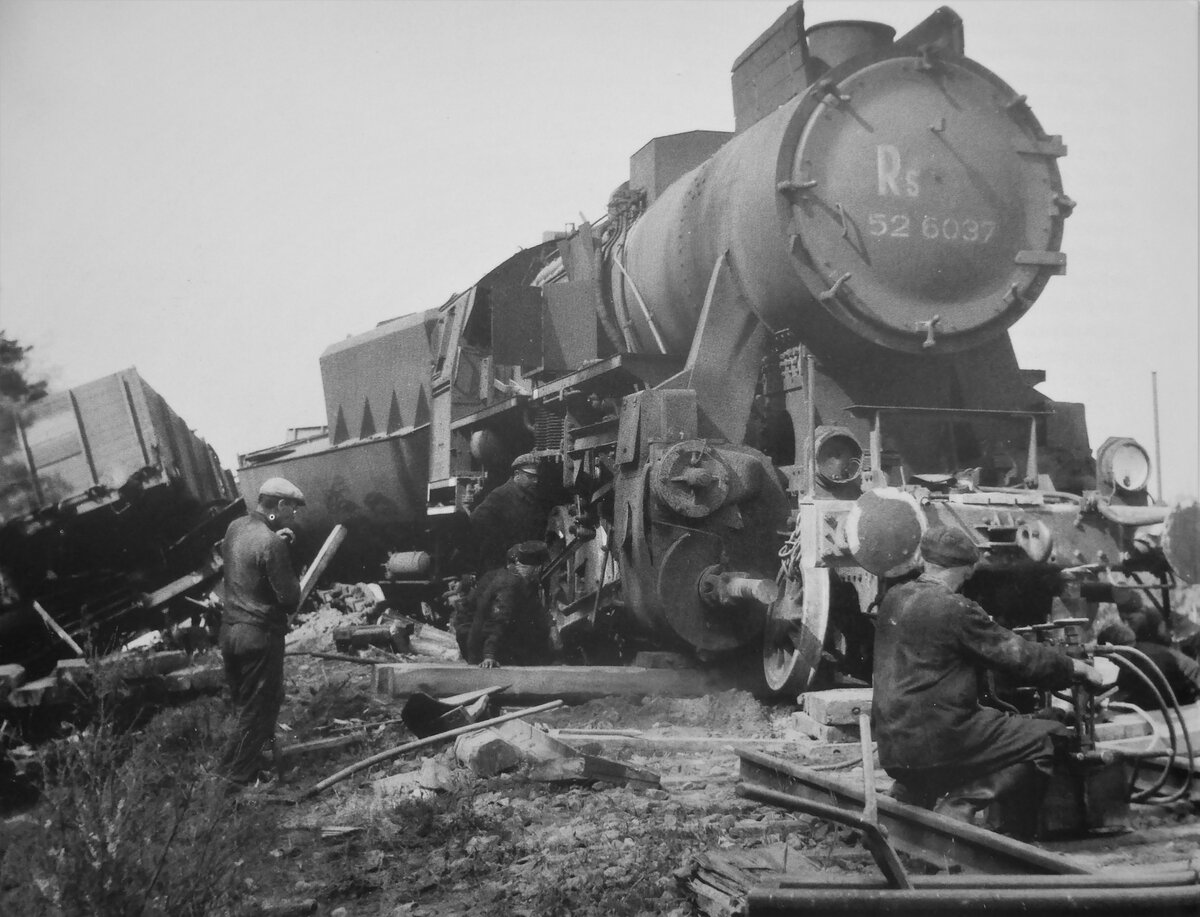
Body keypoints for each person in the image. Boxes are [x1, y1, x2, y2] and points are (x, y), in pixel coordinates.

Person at [872, 525, 1103, 834]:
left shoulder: (894, 599)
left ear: (926, 561)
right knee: (1048, 736)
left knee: (996, 722)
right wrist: (1075, 668)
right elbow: (1019, 657)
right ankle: (963, 806)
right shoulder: (957, 610)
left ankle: (909, 794)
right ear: (967, 570)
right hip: (939, 740)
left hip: (893, 744)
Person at [216, 477, 305, 790]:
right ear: (279, 506)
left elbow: (248, 553)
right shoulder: (272, 543)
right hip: (260, 637)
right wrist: (282, 551)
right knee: (259, 711)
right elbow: (289, 599)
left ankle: (256, 767)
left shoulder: (234, 528)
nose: (293, 516)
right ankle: (232, 782)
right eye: (291, 510)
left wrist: (273, 535)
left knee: (245, 708)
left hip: (230, 635)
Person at [455, 540, 553, 668]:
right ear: (538, 569)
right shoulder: (510, 585)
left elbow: (537, 610)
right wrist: (489, 655)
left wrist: (551, 627)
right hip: (486, 648)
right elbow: (498, 620)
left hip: (491, 642)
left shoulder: (525, 582)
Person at [469, 454, 549, 573]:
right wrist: (504, 547)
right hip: (501, 566)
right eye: (530, 477)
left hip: (521, 564)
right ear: (517, 474)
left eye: (536, 477)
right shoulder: (500, 495)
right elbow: (476, 521)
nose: (535, 481)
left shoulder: (530, 497)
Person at [1097, 618, 1200, 710]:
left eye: (1110, 657)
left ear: (1119, 650)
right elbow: (1124, 684)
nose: (1111, 661)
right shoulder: (1134, 655)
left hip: (1193, 694)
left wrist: (1117, 706)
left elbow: (1153, 698)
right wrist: (1101, 690)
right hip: (1186, 691)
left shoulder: (1145, 659)